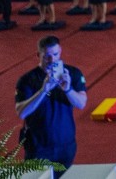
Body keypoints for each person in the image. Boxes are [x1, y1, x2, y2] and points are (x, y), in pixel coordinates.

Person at [15, 35, 88, 170]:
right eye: (47, 56)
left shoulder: (72, 73)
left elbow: (82, 103)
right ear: (38, 55)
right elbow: (21, 112)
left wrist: (68, 89)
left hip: (65, 145)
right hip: (38, 147)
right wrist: (43, 90)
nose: (52, 59)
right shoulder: (27, 79)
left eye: (55, 54)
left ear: (60, 51)